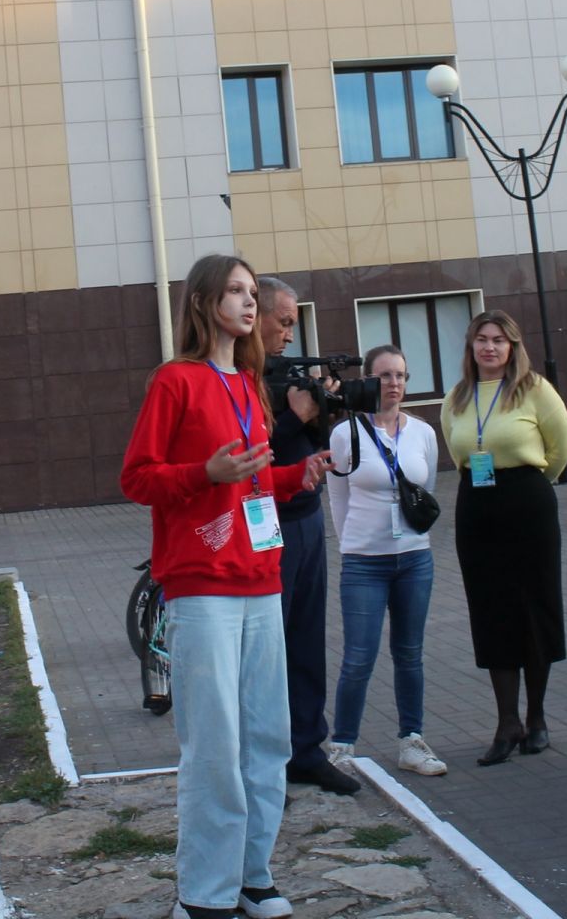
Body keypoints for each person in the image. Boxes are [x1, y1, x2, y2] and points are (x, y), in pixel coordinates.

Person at [120, 254, 334, 919]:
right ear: (207, 300)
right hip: (203, 585)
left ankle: (253, 876)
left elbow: (245, 479)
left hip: (259, 579)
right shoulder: (175, 382)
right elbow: (138, 477)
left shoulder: (248, 383)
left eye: (252, 292)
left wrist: (294, 477)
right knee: (214, 744)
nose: (250, 304)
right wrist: (203, 473)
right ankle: (204, 894)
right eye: (238, 292)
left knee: (267, 737)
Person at [440, 310, 567, 767]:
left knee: (533, 607)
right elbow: (455, 448)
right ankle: (506, 723)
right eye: (482, 339)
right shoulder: (456, 397)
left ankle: (536, 718)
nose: (490, 347)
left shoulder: (534, 389)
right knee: (491, 610)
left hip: (527, 504)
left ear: (513, 346)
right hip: (477, 509)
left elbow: (562, 448)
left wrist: (534, 484)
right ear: (470, 346)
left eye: (499, 339)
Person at [255, 276, 358, 796]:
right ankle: (268, 762)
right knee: (268, 648)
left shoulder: (288, 376)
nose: (291, 335)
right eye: (286, 322)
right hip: (265, 526)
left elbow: (309, 443)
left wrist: (321, 410)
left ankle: (307, 750)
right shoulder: (243, 379)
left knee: (307, 638)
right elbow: (256, 452)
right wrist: (296, 415)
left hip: (306, 517)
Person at [323, 345, 446, 777]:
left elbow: (424, 485)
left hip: (414, 558)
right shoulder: (345, 433)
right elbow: (337, 497)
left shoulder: (424, 433)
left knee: (409, 653)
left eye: (401, 375)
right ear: (368, 382)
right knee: (358, 656)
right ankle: (342, 745)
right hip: (363, 563)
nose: (394, 384)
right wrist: (353, 543)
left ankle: (411, 740)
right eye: (385, 376)